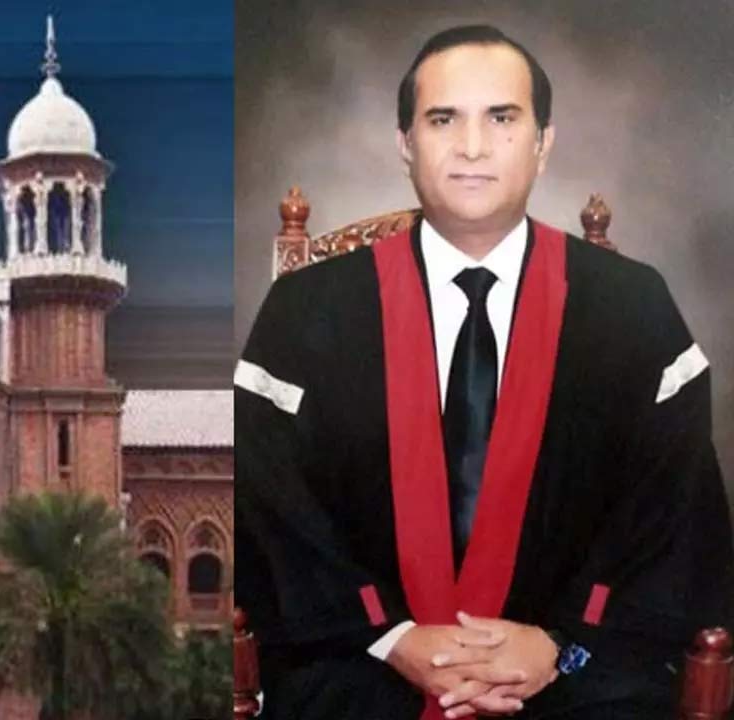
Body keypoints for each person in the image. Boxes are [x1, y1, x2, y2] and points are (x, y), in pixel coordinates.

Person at [235, 24, 734, 719]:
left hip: (574, 673)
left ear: (543, 143)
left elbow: (670, 510)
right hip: (363, 660)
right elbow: (272, 504)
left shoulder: (632, 306)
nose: (472, 146)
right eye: (443, 119)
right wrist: (394, 638)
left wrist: (560, 645)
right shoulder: (306, 309)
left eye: (502, 118)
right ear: (405, 143)